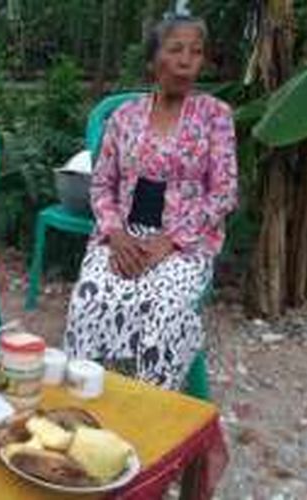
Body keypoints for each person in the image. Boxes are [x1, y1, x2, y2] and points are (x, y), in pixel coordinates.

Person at [64, 14, 239, 390]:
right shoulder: (124, 117)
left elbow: (223, 192)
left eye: (195, 52)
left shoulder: (215, 116)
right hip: (124, 237)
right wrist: (115, 234)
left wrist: (171, 240)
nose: (185, 60)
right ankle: (88, 398)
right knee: (89, 298)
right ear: (152, 61)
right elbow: (102, 185)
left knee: (164, 311)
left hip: (185, 243)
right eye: (175, 49)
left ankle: (148, 408)